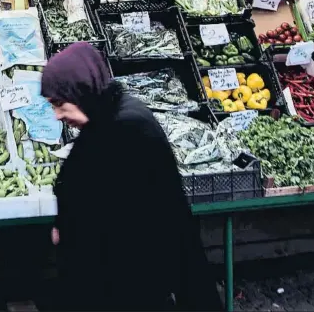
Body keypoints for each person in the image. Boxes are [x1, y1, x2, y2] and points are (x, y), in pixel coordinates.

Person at [41, 42, 222, 312]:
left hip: (127, 289)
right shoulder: (106, 119)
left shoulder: (128, 129)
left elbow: (165, 223)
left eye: (59, 103)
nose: (56, 115)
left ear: (81, 89)